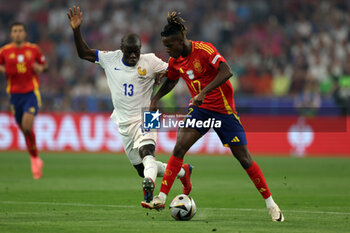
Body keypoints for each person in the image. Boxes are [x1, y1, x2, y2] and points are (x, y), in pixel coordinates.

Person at [143, 12, 285, 222]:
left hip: (224, 111)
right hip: (199, 111)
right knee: (179, 147)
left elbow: (226, 71)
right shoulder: (175, 61)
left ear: (181, 40)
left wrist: (204, 92)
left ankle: (271, 204)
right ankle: (161, 197)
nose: (168, 51)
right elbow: (172, 80)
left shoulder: (204, 50)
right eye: (166, 47)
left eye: (170, 46)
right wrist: (156, 99)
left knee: (244, 159)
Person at [67, 6, 192, 205]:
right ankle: (183, 171)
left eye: (137, 52)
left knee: (147, 152)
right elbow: (83, 53)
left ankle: (148, 187)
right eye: (129, 52)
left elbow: (174, 74)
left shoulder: (150, 61)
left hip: (148, 115)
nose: (134, 56)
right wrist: (76, 30)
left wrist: (156, 97)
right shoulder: (110, 58)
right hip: (123, 121)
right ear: (121, 49)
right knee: (141, 168)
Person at [0, 22, 47, 179]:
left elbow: (44, 65)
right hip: (14, 95)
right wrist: (4, 69)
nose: (18, 33)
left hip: (31, 93)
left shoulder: (33, 49)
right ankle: (35, 157)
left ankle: (34, 160)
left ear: (25, 33)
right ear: (11, 34)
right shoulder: (5, 51)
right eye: (15, 31)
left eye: (20, 30)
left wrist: (41, 69)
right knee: (25, 130)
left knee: (27, 125)